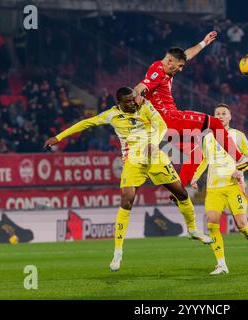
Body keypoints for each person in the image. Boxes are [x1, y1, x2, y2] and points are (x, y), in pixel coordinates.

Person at [44, 87, 213, 272]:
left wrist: (153, 143)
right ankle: (118, 251)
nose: (133, 103)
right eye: (129, 101)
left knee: (181, 193)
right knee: (126, 200)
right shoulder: (112, 115)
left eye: (134, 99)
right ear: (120, 103)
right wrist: (59, 137)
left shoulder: (145, 106)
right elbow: (86, 123)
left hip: (155, 157)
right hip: (133, 161)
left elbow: (162, 125)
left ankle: (192, 230)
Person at [133, 32, 248, 187]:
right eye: (178, 66)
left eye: (181, 66)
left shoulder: (167, 65)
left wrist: (204, 42)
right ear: (169, 61)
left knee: (197, 154)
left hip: (164, 128)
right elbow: (139, 87)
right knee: (214, 123)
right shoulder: (158, 71)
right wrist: (136, 97)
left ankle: (178, 190)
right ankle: (240, 159)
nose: (180, 70)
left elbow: (186, 55)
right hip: (171, 119)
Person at [190, 103, 248, 275]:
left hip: (233, 187)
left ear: (230, 117)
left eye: (224, 113)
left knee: (241, 225)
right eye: (217, 113)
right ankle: (221, 264)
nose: (220, 116)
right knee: (212, 224)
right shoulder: (207, 138)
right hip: (213, 188)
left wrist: (240, 170)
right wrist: (195, 176)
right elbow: (205, 160)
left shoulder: (238, 136)